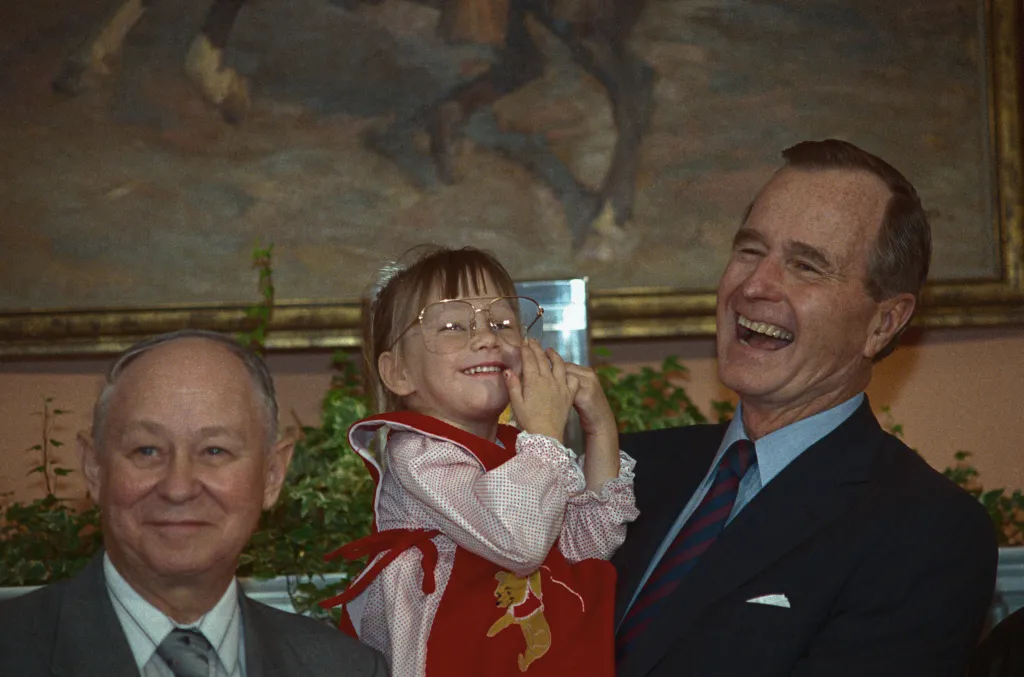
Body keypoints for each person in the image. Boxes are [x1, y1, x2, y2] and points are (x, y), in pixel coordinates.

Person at [612, 139, 998, 677]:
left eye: (807, 266)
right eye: (749, 250)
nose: (754, 285)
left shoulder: (927, 534)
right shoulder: (624, 470)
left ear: (883, 323)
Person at [320, 246, 638, 676]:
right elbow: (519, 542)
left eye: (503, 323)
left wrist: (600, 428)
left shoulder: (524, 456)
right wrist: (544, 434)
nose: (487, 337)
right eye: (452, 326)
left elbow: (586, 546)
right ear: (398, 374)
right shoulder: (418, 453)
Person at [0, 330, 388, 677]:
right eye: (147, 450)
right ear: (94, 468)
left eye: (214, 450)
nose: (178, 487)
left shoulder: (345, 669)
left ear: (272, 475)